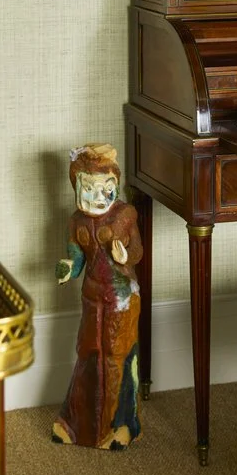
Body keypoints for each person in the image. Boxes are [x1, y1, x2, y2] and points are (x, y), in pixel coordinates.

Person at [52, 144, 143, 450]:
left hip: (121, 299)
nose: (99, 196)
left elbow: (137, 252)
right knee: (89, 353)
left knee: (117, 358)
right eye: (90, 188)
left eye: (106, 188)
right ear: (77, 187)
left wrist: (124, 255)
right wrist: (68, 267)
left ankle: (122, 425)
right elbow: (76, 259)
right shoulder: (77, 222)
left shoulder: (124, 215)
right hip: (92, 298)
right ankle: (77, 424)